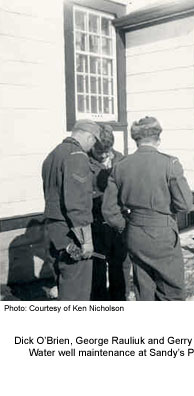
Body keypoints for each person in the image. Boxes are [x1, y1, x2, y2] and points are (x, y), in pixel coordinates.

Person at [102, 116, 193, 301]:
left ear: (136, 140)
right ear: (158, 138)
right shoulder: (170, 164)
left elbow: (109, 210)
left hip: (134, 233)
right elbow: (185, 204)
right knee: (171, 292)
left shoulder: (120, 166)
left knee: (144, 290)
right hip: (162, 234)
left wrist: (125, 227)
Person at [42, 119, 101, 301]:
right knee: (77, 290)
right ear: (88, 136)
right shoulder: (77, 156)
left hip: (54, 229)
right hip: (71, 232)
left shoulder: (53, 154)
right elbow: (77, 204)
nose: (92, 147)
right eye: (94, 141)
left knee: (63, 282)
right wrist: (86, 240)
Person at [89, 125, 131, 301]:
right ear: (91, 145)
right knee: (97, 263)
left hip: (117, 220)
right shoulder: (83, 161)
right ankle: (99, 300)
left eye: (108, 151)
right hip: (96, 221)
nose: (105, 155)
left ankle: (120, 297)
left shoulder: (121, 159)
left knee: (120, 262)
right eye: (100, 151)